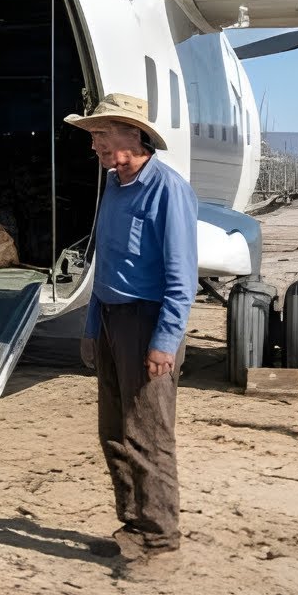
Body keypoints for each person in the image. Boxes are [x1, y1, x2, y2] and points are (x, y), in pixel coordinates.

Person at [65, 93, 198, 565]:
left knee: (148, 437)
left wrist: (165, 341)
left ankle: (160, 541)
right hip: (109, 321)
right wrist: (89, 326)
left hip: (147, 322)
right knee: (114, 434)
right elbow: (106, 266)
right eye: (93, 135)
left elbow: (183, 278)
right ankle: (133, 526)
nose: (94, 145)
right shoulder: (115, 186)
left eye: (101, 134)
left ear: (133, 135)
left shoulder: (167, 189)